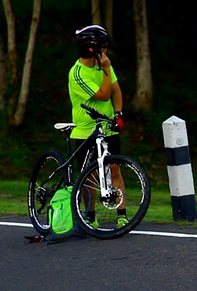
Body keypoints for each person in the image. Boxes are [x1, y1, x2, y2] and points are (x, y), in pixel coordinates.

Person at [68, 24, 128, 229]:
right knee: (90, 176)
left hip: (107, 127)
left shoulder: (104, 67)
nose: (106, 51)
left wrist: (118, 114)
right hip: (86, 130)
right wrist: (105, 70)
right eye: (103, 47)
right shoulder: (78, 73)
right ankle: (90, 215)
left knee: (115, 169)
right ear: (92, 48)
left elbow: (116, 91)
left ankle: (122, 214)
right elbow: (103, 94)